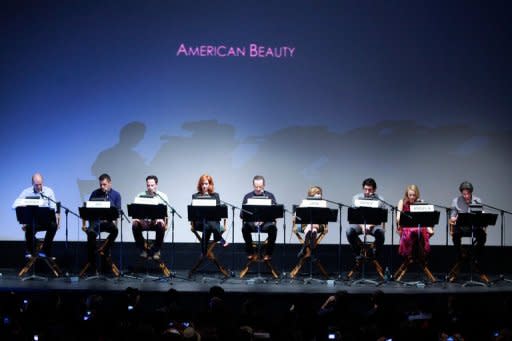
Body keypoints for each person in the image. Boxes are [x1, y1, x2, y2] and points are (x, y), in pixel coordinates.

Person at [13, 172, 60, 258]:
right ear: (32, 184)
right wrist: (22, 204)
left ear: (43, 182)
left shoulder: (49, 191)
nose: (38, 187)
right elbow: (14, 205)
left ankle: (45, 250)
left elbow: (54, 207)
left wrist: (57, 219)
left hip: (46, 221)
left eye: (40, 184)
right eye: (36, 185)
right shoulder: (26, 192)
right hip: (33, 222)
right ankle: (30, 251)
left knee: (53, 226)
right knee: (29, 228)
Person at [82, 173, 121, 267]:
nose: (102, 187)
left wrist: (115, 222)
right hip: (95, 222)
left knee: (115, 231)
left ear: (109, 183)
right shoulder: (95, 193)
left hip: (107, 222)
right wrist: (84, 224)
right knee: (90, 233)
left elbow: (118, 212)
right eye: (101, 185)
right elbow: (87, 209)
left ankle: (105, 248)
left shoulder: (116, 195)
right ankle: (92, 264)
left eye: (104, 184)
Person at [346, 178, 386, 263]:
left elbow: (382, 217)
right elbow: (354, 216)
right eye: (365, 189)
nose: (367, 192)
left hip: (374, 225)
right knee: (349, 231)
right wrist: (363, 226)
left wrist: (370, 225)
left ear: (374, 190)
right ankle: (358, 253)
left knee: (381, 233)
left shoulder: (380, 199)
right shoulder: (356, 198)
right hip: (359, 224)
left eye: (370, 190)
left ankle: (375, 254)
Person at [132, 175, 169, 260]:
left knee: (161, 224)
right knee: (135, 225)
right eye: (148, 185)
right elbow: (135, 212)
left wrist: (162, 219)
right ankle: (143, 249)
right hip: (144, 222)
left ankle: (156, 250)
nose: (150, 187)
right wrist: (137, 218)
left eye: (152, 185)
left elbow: (166, 214)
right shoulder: (140, 195)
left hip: (156, 222)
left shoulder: (162, 196)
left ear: (156, 185)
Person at [241, 175, 277, 261]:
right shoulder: (248, 196)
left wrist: (263, 220)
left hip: (266, 223)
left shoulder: (270, 196)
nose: (258, 189)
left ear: (264, 185)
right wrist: (253, 221)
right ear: (253, 185)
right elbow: (242, 214)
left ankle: (268, 253)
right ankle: (250, 252)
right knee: (245, 228)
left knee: (273, 228)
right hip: (252, 223)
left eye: (260, 187)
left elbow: (275, 213)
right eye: (256, 186)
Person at [450, 181, 486, 264]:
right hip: (461, 227)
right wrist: (454, 217)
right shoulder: (456, 201)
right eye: (464, 194)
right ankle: (460, 255)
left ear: (471, 192)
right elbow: (452, 216)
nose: (466, 196)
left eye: (468, 194)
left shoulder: (477, 200)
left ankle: (474, 256)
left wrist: (483, 214)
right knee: (455, 235)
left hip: (474, 227)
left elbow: (481, 213)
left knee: (483, 236)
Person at [192, 174, 228, 254]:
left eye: (206, 184)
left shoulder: (215, 196)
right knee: (207, 224)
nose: (204, 186)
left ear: (210, 184)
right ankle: (220, 239)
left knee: (208, 225)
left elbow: (218, 212)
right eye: (202, 184)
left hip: (213, 222)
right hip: (200, 223)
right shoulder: (195, 196)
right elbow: (193, 212)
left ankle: (204, 251)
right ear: (200, 185)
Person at [396, 184, 433, 258]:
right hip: (406, 226)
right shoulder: (402, 202)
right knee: (413, 232)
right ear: (407, 194)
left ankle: (420, 254)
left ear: (417, 195)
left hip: (418, 226)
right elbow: (398, 218)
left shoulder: (421, 202)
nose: (412, 197)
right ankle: (414, 254)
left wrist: (429, 226)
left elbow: (426, 218)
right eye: (410, 195)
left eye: (414, 195)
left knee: (424, 231)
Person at [296, 185, 327, 258]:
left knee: (313, 227)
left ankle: (304, 248)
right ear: (312, 194)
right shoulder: (305, 202)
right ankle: (312, 247)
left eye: (320, 193)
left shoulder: (323, 203)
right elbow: (297, 215)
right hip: (304, 225)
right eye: (317, 193)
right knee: (312, 228)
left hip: (319, 225)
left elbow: (325, 217)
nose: (319, 195)